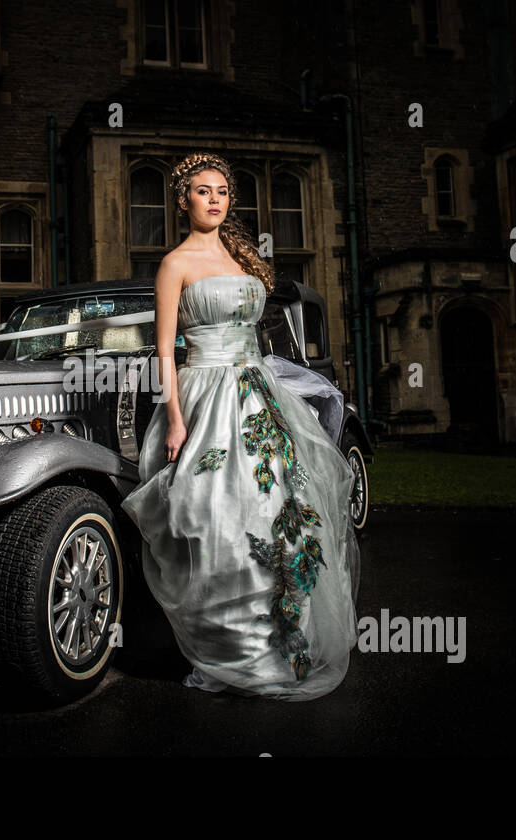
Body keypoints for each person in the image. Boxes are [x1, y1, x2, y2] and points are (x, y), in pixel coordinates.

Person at [120, 151, 361, 700]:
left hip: (256, 393)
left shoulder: (241, 257)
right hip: (204, 393)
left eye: (222, 192)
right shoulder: (174, 264)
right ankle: (231, 649)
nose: (214, 199)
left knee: (279, 509)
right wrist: (176, 420)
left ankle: (280, 645)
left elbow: (256, 333)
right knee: (213, 513)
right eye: (203, 191)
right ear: (184, 201)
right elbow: (165, 350)